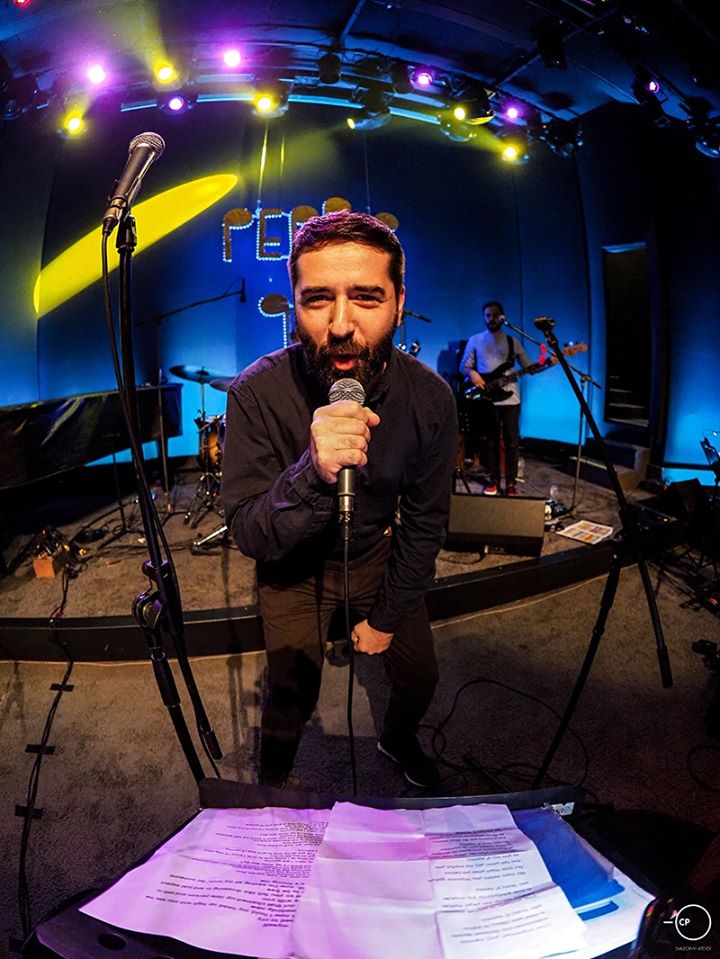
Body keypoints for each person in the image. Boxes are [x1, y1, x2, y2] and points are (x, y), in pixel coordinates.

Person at [221, 211, 458, 789]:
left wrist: (385, 618)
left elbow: (426, 522)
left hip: (377, 555)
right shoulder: (255, 392)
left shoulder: (431, 399)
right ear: (295, 304)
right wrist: (312, 470)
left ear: (399, 304)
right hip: (293, 567)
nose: (342, 324)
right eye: (318, 299)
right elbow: (249, 532)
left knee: (420, 675)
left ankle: (396, 741)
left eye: (367, 297)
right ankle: (273, 776)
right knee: (290, 692)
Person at [460, 300, 533, 497]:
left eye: (495, 315)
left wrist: (548, 361)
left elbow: (529, 367)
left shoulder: (513, 342)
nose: (492, 318)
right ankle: (493, 480)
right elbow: (464, 366)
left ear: (502, 317)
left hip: (511, 399)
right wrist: (473, 374)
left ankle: (511, 484)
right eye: (488, 315)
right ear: (484, 318)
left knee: (512, 442)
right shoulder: (476, 340)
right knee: (491, 442)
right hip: (488, 399)